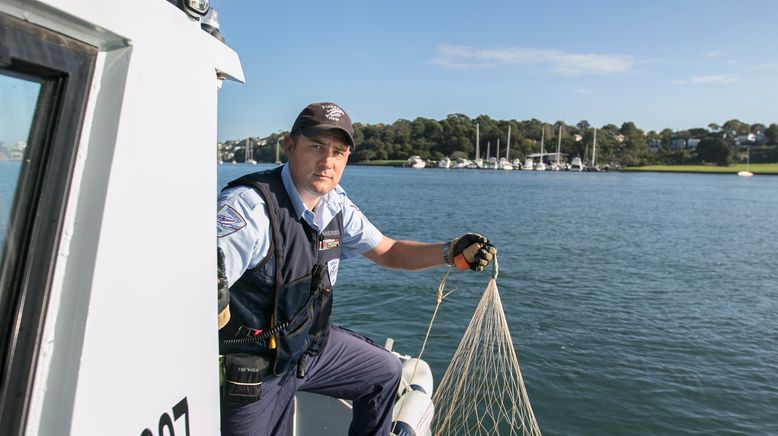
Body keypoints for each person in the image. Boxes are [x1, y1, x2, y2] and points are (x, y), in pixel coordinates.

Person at [216, 102, 496, 436]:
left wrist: (451, 252)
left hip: (307, 349)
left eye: (339, 152)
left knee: (385, 374)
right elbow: (193, 289)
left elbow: (389, 251)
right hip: (256, 372)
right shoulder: (248, 210)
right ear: (289, 146)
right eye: (317, 146)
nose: (328, 162)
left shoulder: (335, 205)